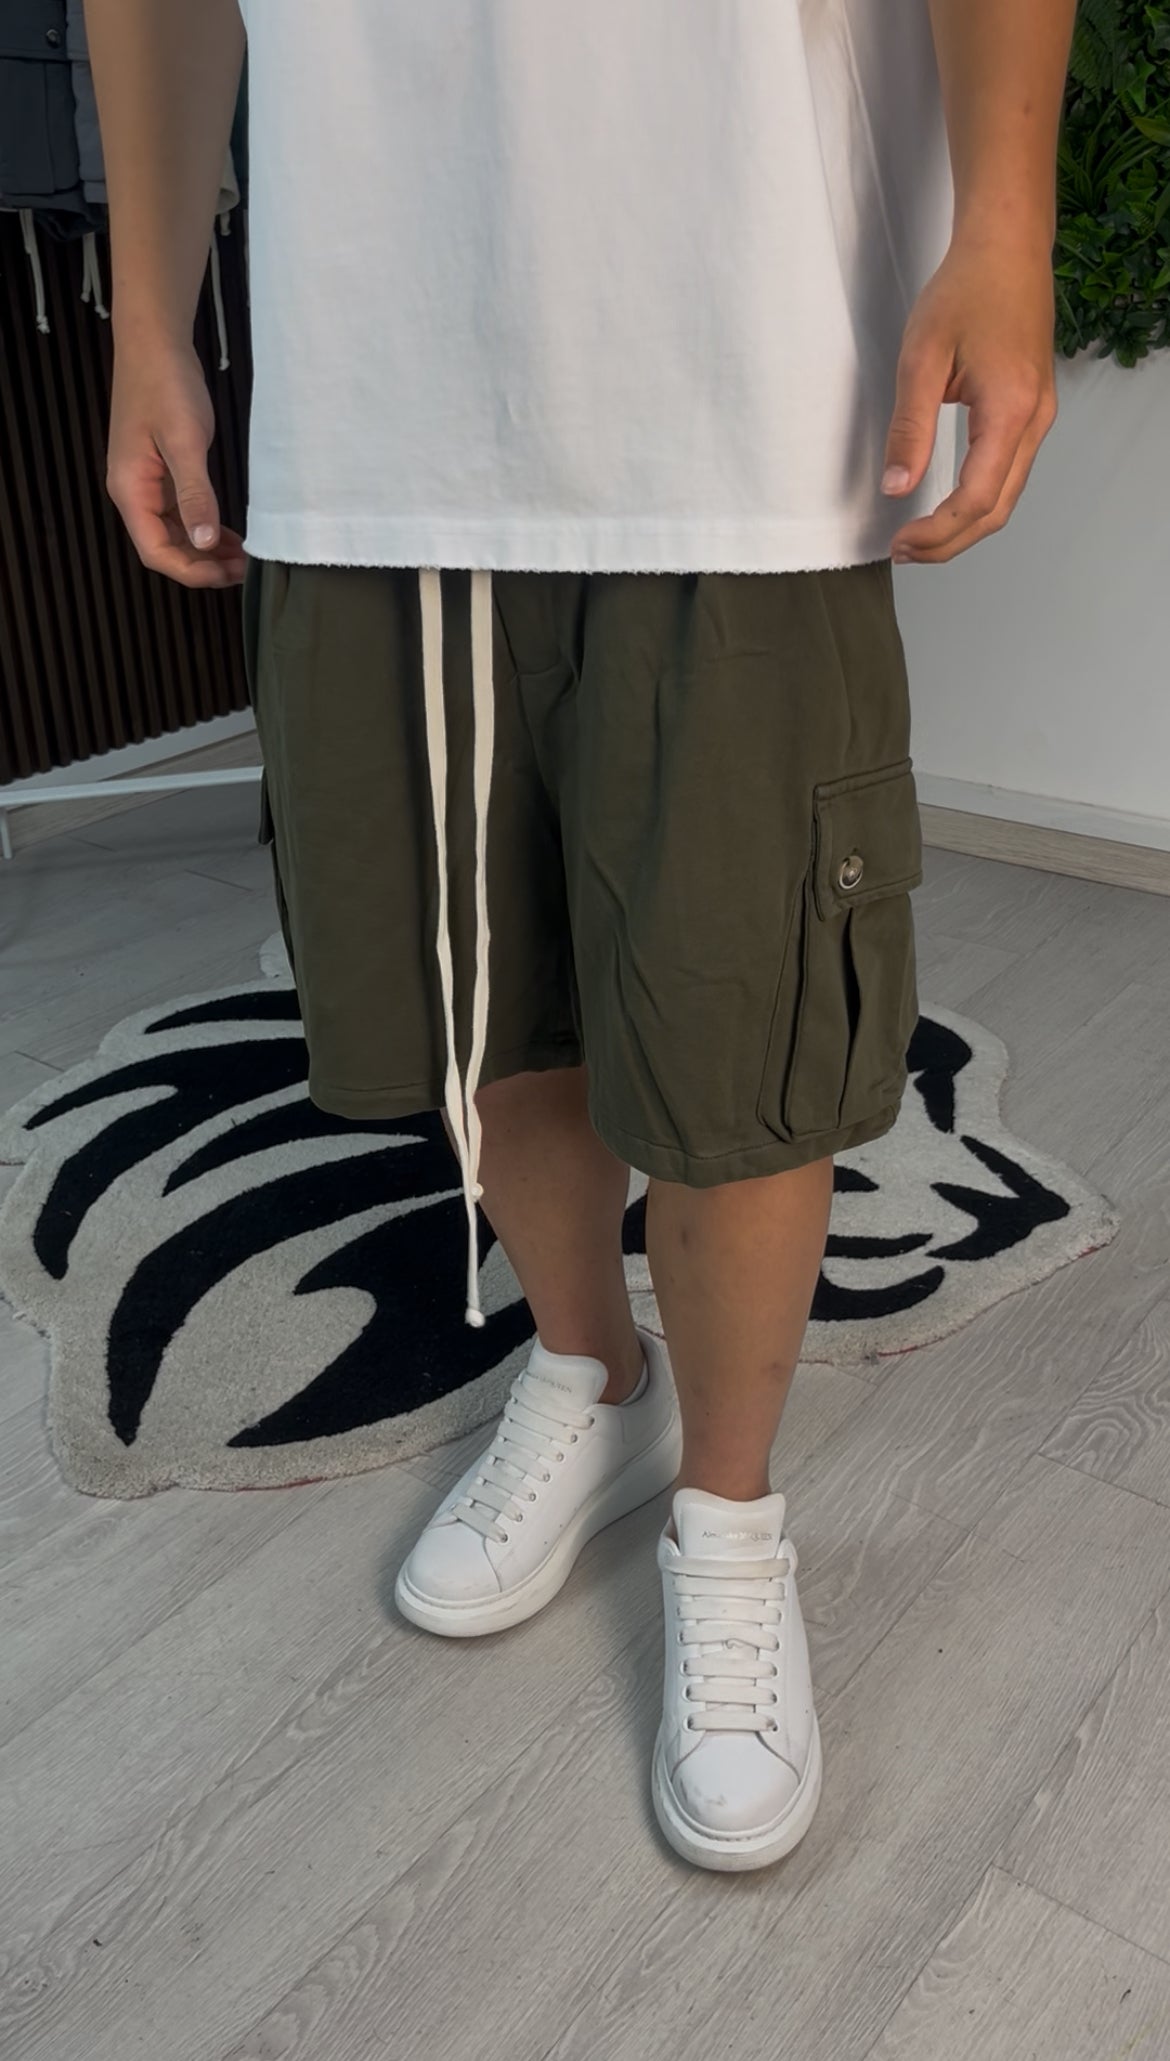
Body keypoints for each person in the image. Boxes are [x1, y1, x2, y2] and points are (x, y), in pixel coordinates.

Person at [89, 0, 1075, 1873]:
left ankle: (730, 1520)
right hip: (371, 377)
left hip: (739, 368)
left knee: (739, 1033)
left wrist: (1005, 219)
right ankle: (586, 1366)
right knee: (483, 993)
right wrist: (151, 314)